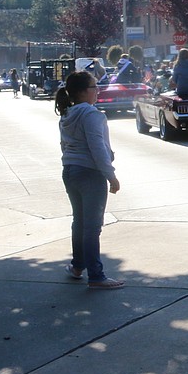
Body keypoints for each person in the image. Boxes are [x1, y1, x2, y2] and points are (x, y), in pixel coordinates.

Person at [55, 70, 124, 289]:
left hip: (70, 171)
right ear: (84, 91)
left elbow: (64, 146)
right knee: (92, 228)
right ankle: (96, 276)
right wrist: (111, 176)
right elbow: (98, 148)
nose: (98, 90)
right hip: (90, 173)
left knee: (80, 222)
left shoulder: (67, 114)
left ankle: (77, 266)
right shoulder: (92, 115)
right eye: (94, 87)